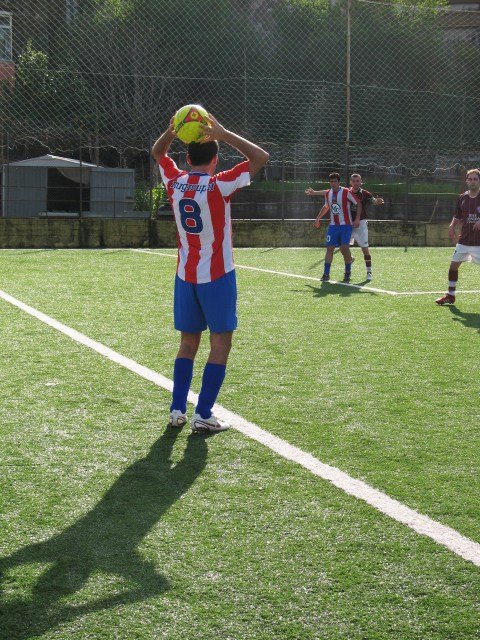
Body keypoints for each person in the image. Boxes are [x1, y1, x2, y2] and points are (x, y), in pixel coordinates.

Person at [151, 114, 269, 433]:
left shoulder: (174, 182)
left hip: (185, 276)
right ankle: (203, 413)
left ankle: (177, 410)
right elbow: (260, 157)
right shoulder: (219, 184)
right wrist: (225, 131)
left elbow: (158, 154)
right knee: (220, 344)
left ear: (187, 158)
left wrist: (170, 132)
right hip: (217, 276)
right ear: (215, 159)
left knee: (188, 343)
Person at [306, 172, 362, 283]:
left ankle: (347, 273)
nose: (333, 183)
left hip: (346, 225)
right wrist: (318, 219)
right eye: (331, 182)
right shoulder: (328, 193)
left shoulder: (346, 192)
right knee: (329, 248)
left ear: (338, 182)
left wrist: (357, 219)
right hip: (333, 226)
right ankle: (326, 274)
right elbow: (326, 206)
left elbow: (358, 203)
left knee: (344, 248)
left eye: (335, 181)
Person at [436, 168, 480, 305]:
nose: (472, 181)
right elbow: (458, 215)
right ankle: (450, 295)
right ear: (466, 181)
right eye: (470, 179)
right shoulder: (462, 197)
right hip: (464, 240)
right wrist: (451, 226)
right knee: (453, 266)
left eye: (475, 179)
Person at [348, 174, 384, 281]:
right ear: (350, 182)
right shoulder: (346, 192)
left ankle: (369, 272)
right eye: (353, 181)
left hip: (361, 224)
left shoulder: (365, 194)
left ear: (361, 182)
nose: (355, 183)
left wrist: (377, 202)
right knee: (343, 247)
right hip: (348, 223)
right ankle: (349, 261)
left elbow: (372, 200)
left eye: (357, 181)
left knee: (365, 249)